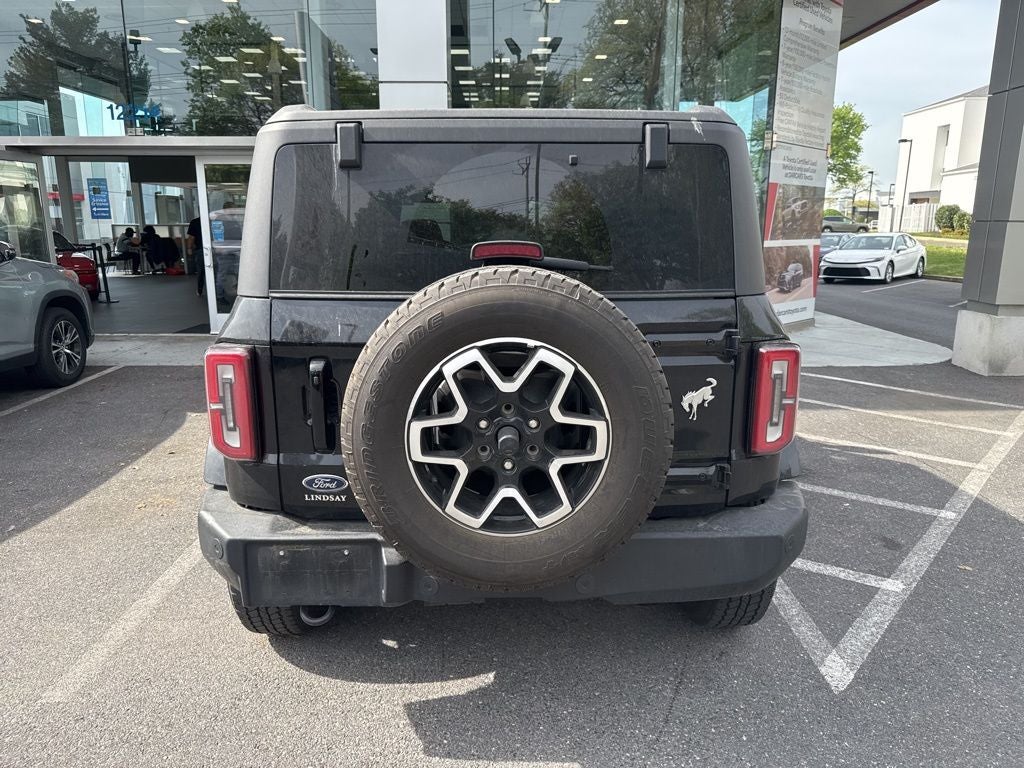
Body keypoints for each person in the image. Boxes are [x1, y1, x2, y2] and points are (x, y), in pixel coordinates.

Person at [187, 216, 203, 296]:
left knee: (201, 271)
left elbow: (191, 237)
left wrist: (189, 248)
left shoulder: (195, 222)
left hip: (201, 249)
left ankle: (200, 290)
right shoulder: (213, 219)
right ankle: (217, 292)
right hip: (214, 248)